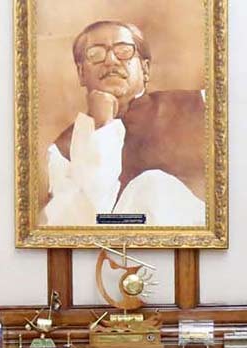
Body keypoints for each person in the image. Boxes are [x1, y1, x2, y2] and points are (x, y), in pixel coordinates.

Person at [40, 20, 206, 226]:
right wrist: (102, 126)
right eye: (95, 54)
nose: (110, 60)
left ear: (145, 69)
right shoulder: (62, 150)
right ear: (81, 73)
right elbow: (78, 224)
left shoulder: (201, 105)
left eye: (124, 50)